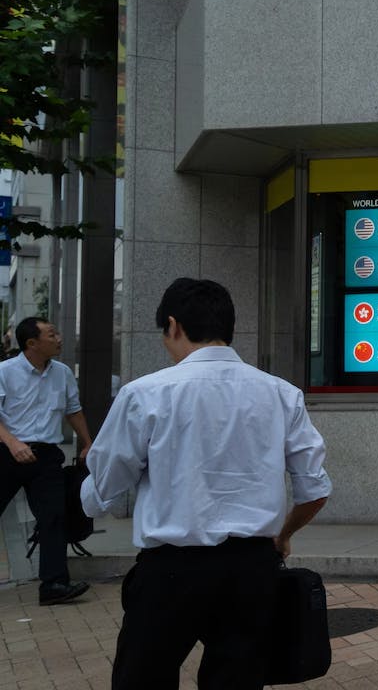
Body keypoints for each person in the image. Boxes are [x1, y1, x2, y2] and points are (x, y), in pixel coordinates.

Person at [80, 278, 333, 690]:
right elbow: (315, 489)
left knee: (142, 679)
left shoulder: (145, 394)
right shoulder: (282, 394)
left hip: (171, 570)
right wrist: (283, 535)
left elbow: (106, 483)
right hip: (252, 569)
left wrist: (86, 503)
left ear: (174, 325)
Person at [0, 317, 93, 605]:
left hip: (47, 456)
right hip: (7, 452)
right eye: (52, 334)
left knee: (54, 517)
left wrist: (88, 443)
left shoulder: (62, 373)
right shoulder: (5, 371)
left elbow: (73, 411)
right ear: (32, 344)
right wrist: (13, 443)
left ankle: (53, 585)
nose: (59, 338)